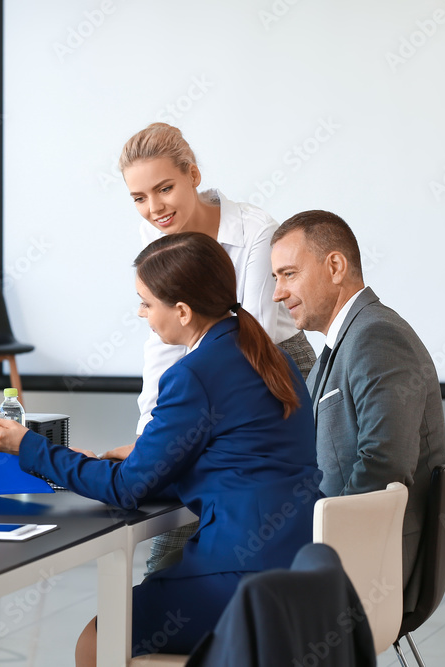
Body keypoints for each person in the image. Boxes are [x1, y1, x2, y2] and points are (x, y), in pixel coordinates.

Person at [0, 232, 320, 664]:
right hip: (302, 566)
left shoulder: (194, 374)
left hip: (242, 575)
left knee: (96, 641)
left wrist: (28, 446)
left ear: (183, 312)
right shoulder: (269, 355)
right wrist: (150, 458)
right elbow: (242, 459)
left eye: (147, 303)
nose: (140, 313)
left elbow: (126, 490)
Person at [112, 122, 317, 571]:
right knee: (182, 506)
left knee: (228, 498)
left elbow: (252, 336)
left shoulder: (256, 231)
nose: (154, 208)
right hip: (205, 372)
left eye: (164, 189)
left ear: (194, 175)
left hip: (271, 367)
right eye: (139, 198)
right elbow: (162, 346)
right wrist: (150, 437)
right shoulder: (155, 237)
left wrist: (171, 445)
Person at [269, 210, 445, 613]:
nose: (278, 293)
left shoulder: (376, 336)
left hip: (367, 564)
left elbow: (384, 465)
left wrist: (317, 546)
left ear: (334, 266)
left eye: (288, 274)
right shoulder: (344, 342)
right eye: (276, 278)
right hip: (333, 547)